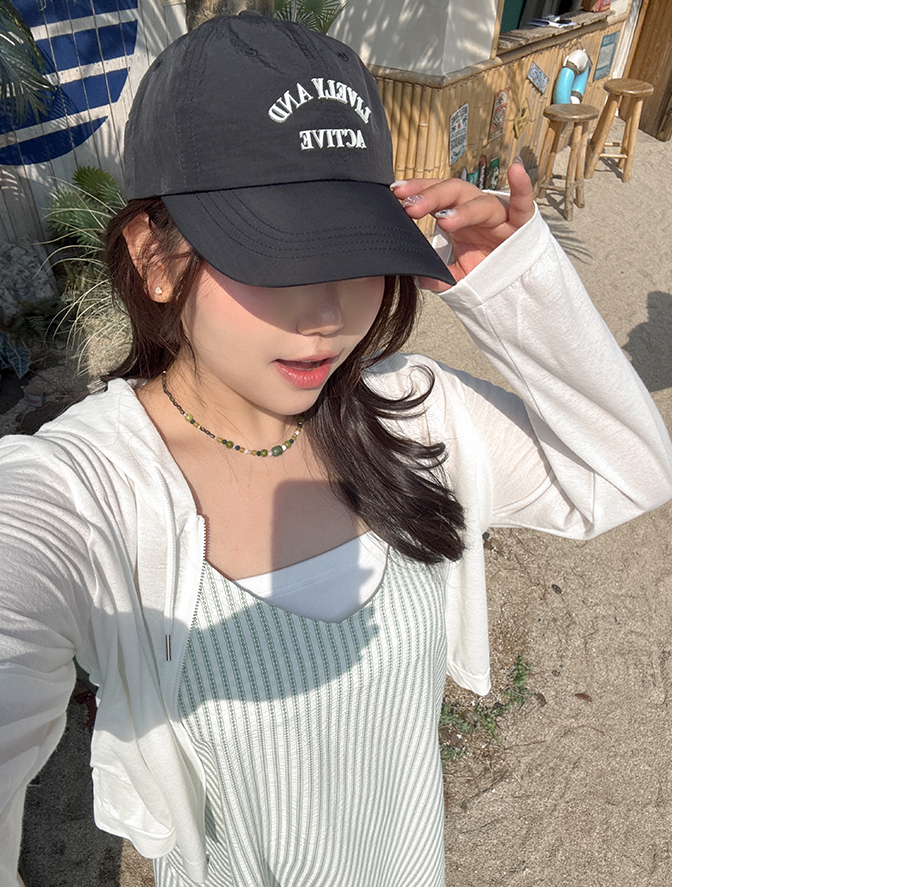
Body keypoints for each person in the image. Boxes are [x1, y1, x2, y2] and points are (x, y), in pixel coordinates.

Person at [0, 11, 672, 887]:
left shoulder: (414, 414)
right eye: (274, 254)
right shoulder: (82, 494)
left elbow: (628, 471)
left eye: (354, 252)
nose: (327, 316)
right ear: (154, 257)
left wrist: (514, 286)